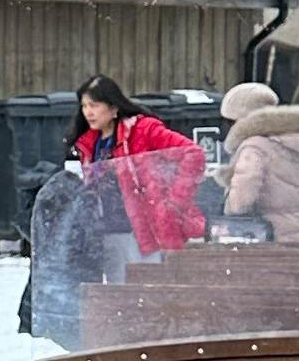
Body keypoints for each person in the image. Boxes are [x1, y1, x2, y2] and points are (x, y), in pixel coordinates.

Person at [68, 75, 207, 260]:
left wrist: (174, 203)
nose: (88, 112)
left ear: (113, 107)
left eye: (94, 105)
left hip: (148, 231)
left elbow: (193, 154)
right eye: (84, 106)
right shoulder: (87, 144)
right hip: (106, 234)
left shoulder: (143, 130)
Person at [217, 78, 299, 240]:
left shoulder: (255, 147)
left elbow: (241, 200)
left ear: (241, 118)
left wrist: (228, 208)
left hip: (271, 238)